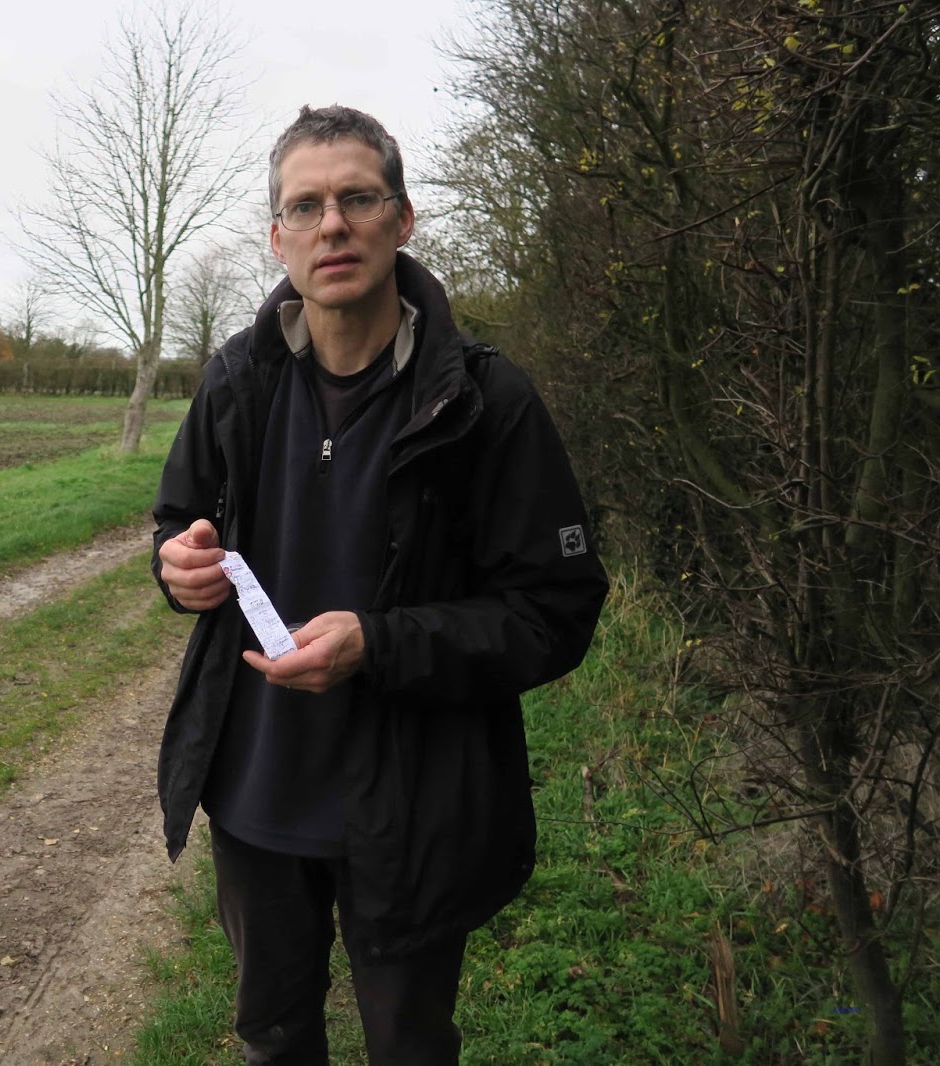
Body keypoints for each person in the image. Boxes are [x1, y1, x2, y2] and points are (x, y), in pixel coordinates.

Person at [151, 104, 610, 1064]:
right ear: (277, 236)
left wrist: (381, 644)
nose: (333, 225)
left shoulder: (486, 400)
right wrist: (177, 566)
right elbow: (179, 523)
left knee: (410, 1046)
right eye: (306, 206)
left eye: (358, 199)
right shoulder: (235, 381)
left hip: (415, 805)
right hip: (258, 791)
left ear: (402, 220)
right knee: (274, 1039)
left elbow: (554, 611)